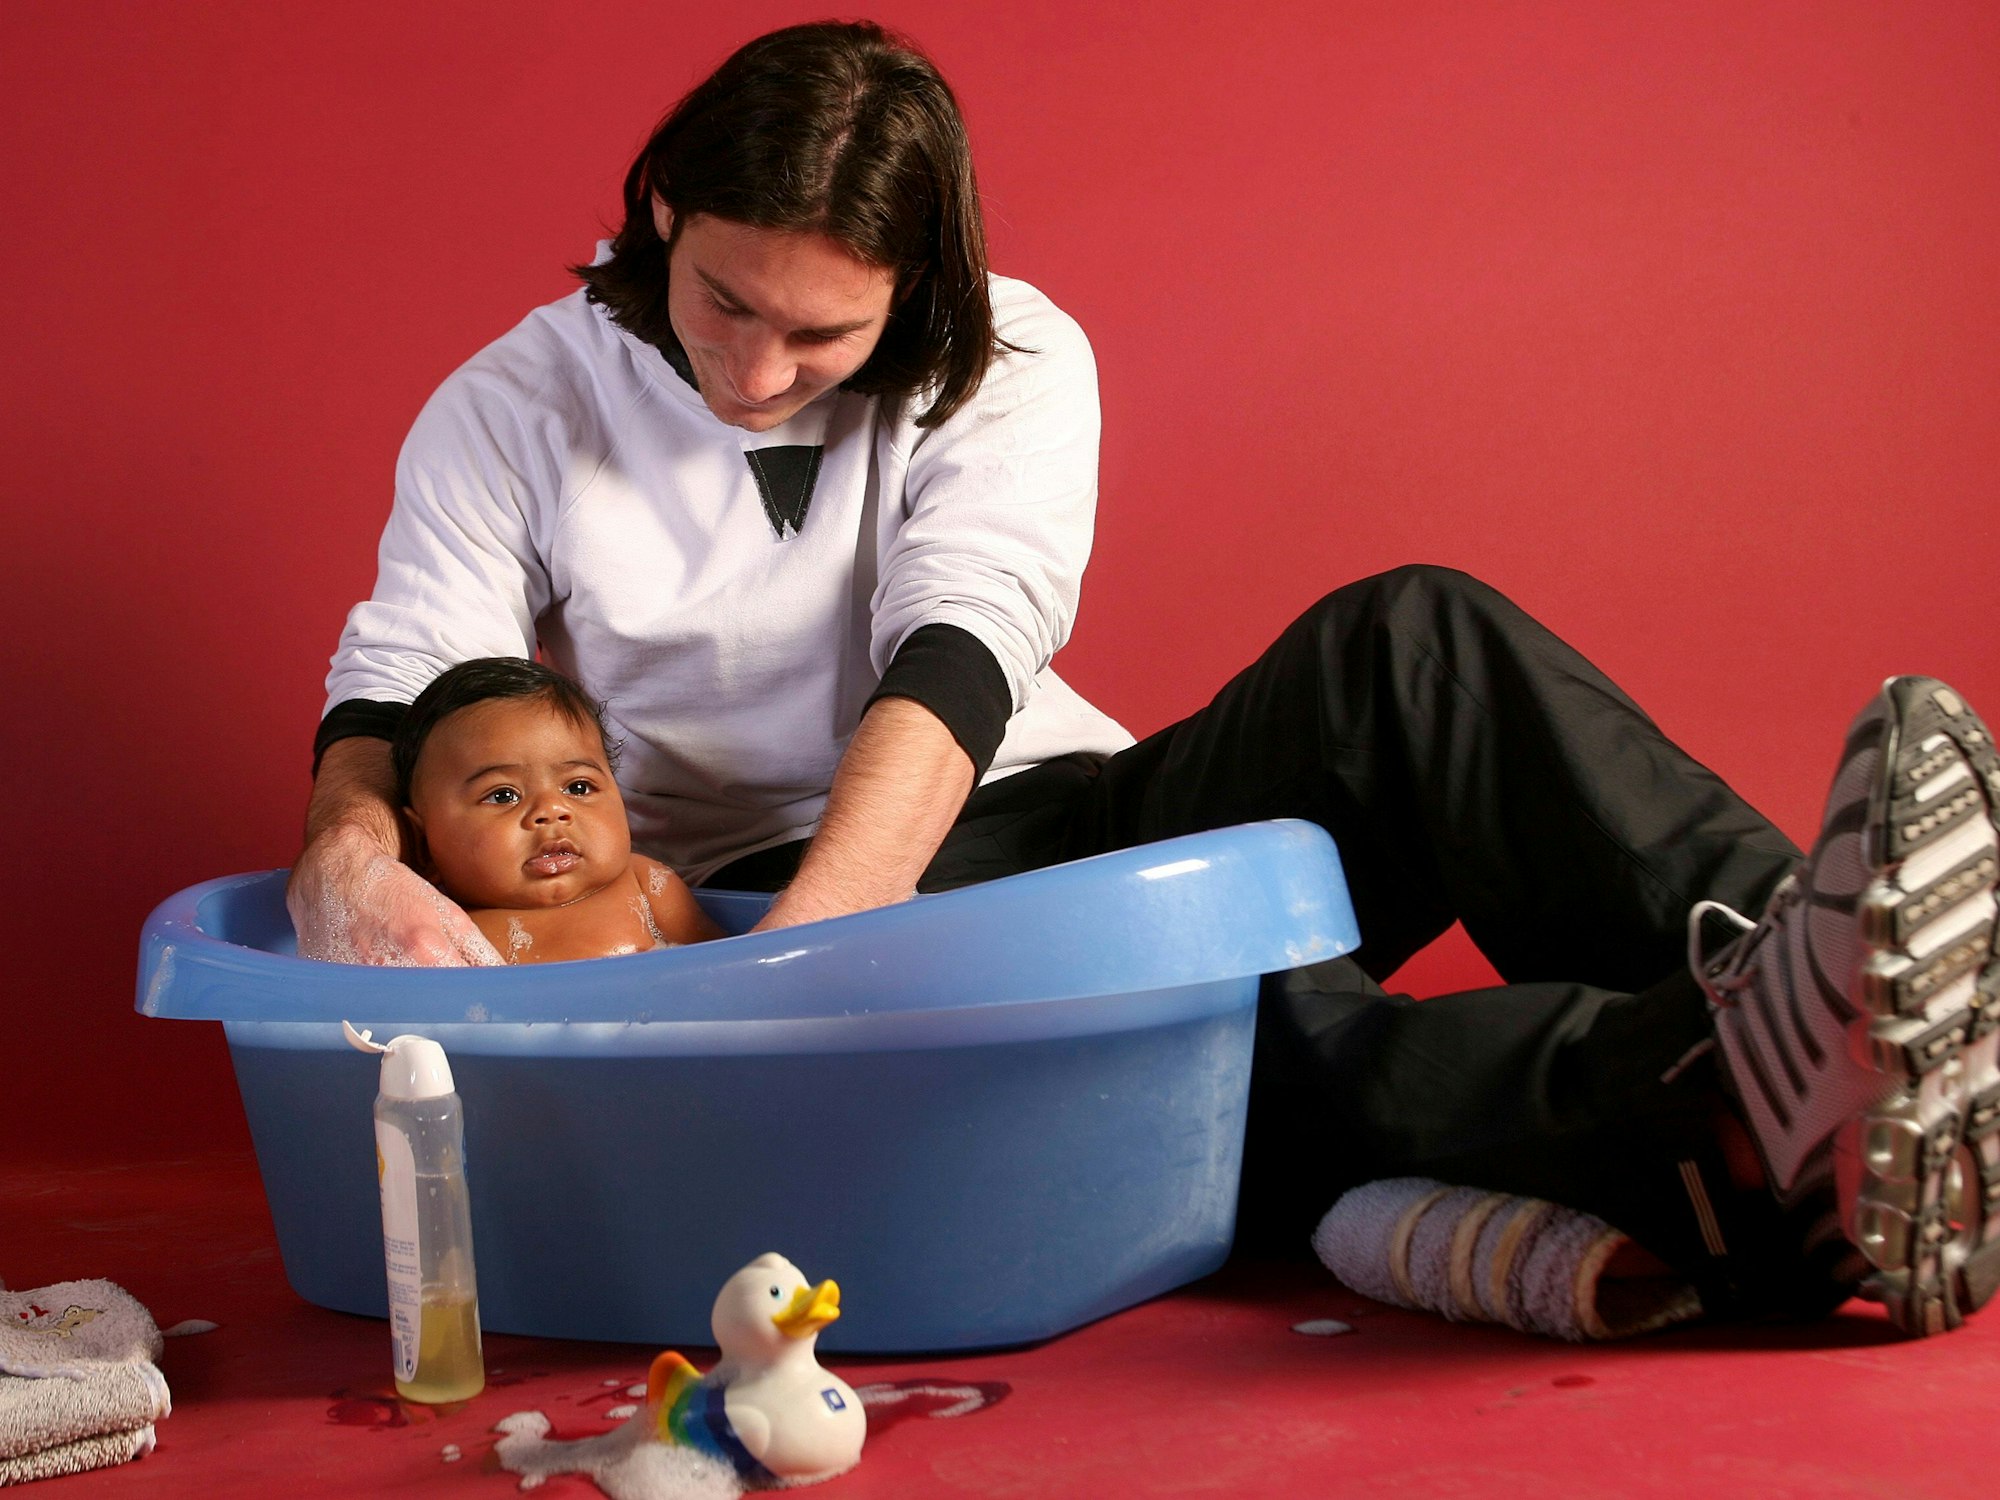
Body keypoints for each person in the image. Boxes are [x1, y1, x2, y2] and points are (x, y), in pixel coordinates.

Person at [287, 20, 2000, 1339]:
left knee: (1417, 640)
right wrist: (353, 856)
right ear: (663, 207)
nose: (759, 368)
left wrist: (836, 934)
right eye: (727, 300)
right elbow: (407, 674)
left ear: (919, 293)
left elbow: (961, 644)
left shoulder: (1015, 349)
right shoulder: (516, 402)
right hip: (760, 898)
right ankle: (1741, 1104)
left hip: (1015, 809)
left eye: (825, 338)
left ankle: (1855, 996)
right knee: (1228, 1030)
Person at [390, 657, 722, 962]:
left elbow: (722, 972)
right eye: (504, 795)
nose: (551, 810)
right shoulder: (432, 927)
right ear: (423, 844)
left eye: (578, 787)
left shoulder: (648, 886)